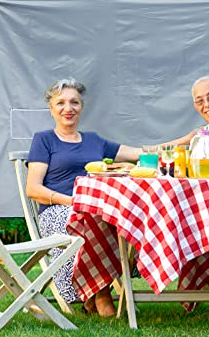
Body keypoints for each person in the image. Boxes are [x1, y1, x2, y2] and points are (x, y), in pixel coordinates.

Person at [25, 78, 141, 317]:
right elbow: (33, 189)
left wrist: (183, 142)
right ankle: (101, 293)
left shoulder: (94, 141)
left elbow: (141, 154)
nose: (68, 108)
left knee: (125, 218)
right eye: (61, 103)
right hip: (58, 211)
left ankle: (95, 291)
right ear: (51, 108)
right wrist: (73, 202)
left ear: (81, 107)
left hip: (95, 210)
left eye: (74, 102)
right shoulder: (44, 140)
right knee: (91, 219)